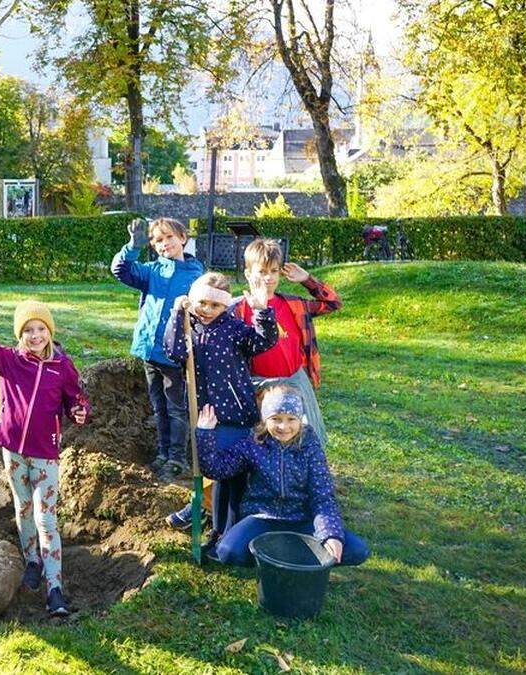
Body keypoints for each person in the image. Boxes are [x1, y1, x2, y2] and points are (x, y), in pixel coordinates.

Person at [0, 271, 90, 618]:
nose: (34, 335)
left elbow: (76, 398)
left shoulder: (62, 366)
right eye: (27, 330)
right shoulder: (10, 362)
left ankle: (55, 587)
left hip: (45, 453)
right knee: (22, 507)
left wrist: (78, 410)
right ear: (20, 334)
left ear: (49, 331)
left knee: (47, 519)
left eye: (40, 329)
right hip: (13, 450)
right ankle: (31, 560)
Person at [163, 273, 278, 550]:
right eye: (202, 303)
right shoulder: (190, 328)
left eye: (215, 306)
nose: (207, 310)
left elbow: (264, 341)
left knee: (232, 479)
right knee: (215, 475)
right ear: (193, 300)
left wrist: (262, 310)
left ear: (224, 306)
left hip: (235, 416)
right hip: (206, 417)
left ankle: (230, 535)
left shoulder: (234, 328)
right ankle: (218, 532)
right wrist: (177, 315)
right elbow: (173, 351)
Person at [196, 386, 370, 567]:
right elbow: (217, 470)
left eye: (291, 419)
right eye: (275, 419)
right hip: (263, 518)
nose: (284, 426)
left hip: (302, 519)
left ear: (300, 419)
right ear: (265, 419)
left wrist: (331, 535)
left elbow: (323, 496)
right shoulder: (253, 443)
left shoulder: (310, 446)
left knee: (357, 550)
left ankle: (281, 555)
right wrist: (205, 433)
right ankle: (294, 556)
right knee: (228, 552)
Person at [111, 217, 204, 479]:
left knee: (177, 407)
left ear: (183, 238)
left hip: (175, 354)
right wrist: (132, 246)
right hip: (149, 350)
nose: (164, 244)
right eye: (157, 240)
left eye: (169, 238)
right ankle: (162, 453)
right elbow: (120, 270)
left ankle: (177, 459)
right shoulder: (151, 270)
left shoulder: (196, 276)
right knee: (158, 406)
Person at [232, 238, 342, 448]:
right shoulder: (238, 310)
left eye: (273, 271)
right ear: (248, 274)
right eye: (262, 271)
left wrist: (307, 280)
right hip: (258, 386)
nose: (268, 278)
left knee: (302, 440)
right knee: (263, 442)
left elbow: (333, 303)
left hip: (294, 382)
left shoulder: (293, 304)